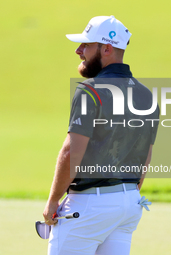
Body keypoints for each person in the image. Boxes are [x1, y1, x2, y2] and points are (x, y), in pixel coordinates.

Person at [42, 16, 160, 255]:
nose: (78, 50)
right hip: (128, 204)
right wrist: (126, 196)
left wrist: (53, 201)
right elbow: (145, 155)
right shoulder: (147, 96)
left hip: (89, 207)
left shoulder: (90, 90)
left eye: (86, 45)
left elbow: (71, 151)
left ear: (106, 48)